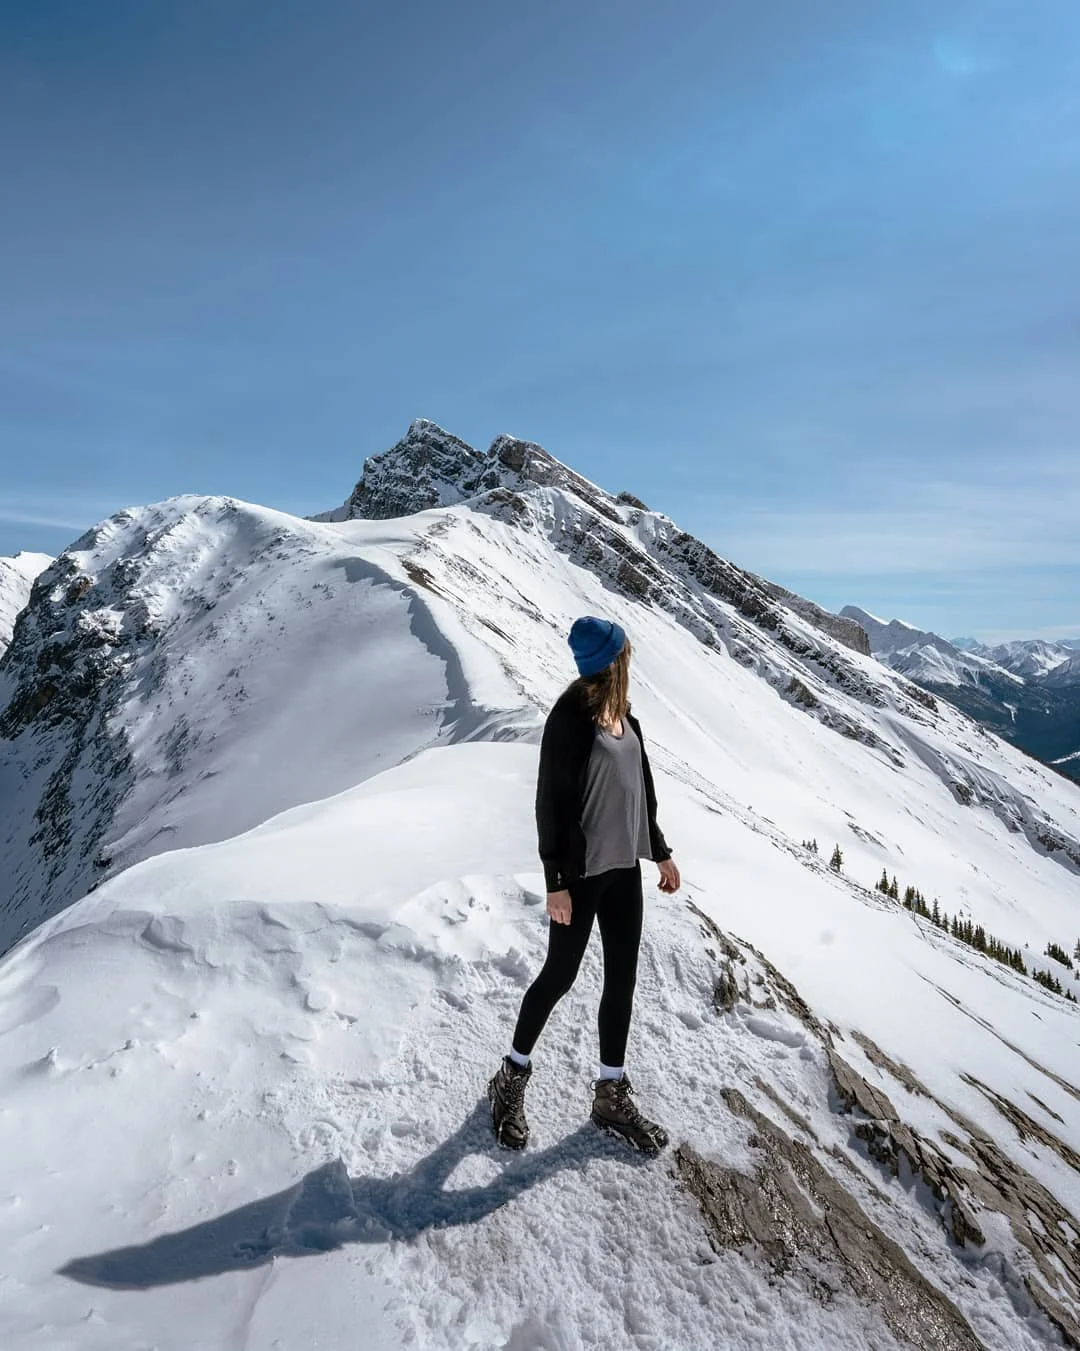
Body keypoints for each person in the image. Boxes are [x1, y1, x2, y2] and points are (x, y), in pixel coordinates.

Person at [487, 615, 680, 1153]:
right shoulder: (570, 717)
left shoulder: (626, 718)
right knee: (559, 976)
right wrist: (556, 881)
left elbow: (640, 790)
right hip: (581, 876)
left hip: (624, 871)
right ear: (613, 660)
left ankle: (610, 1095)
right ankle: (510, 1078)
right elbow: (550, 802)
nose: (629, 657)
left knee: (621, 981)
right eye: (625, 651)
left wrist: (660, 850)